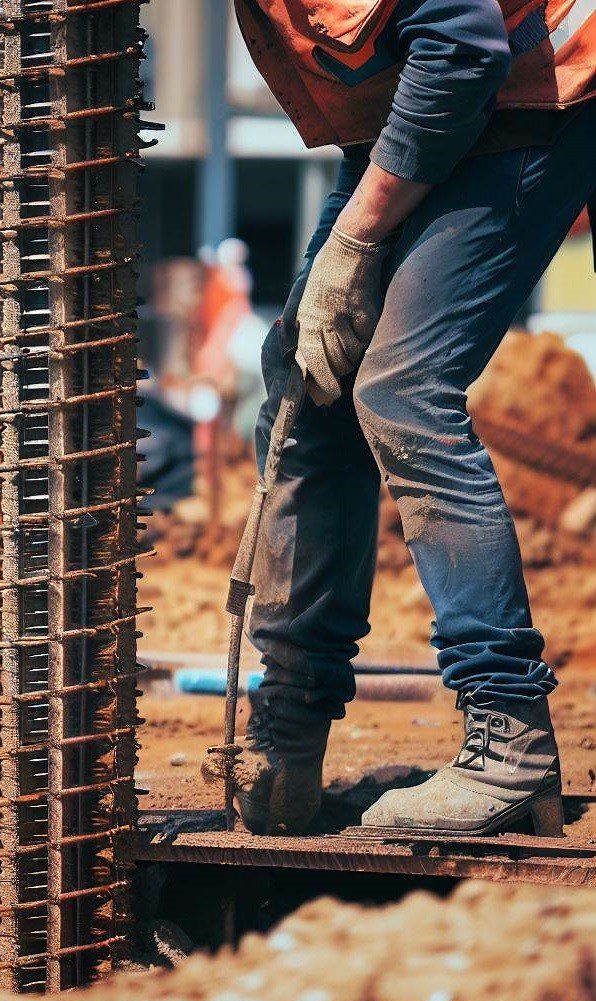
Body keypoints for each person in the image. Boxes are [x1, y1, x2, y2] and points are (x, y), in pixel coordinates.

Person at [230, 0, 595, 836]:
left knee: (403, 391)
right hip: (448, 109)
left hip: (535, 101)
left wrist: (356, 240)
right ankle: (288, 728)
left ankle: (510, 744)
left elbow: (461, 49)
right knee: (308, 383)